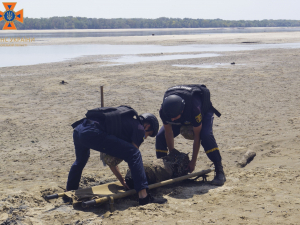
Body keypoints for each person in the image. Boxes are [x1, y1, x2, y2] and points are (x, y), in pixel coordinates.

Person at [66, 105, 167, 205]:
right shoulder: (140, 128)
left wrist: (122, 180)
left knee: (80, 161)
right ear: (147, 126)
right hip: (93, 132)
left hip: (79, 130)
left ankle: (69, 192)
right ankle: (143, 196)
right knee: (135, 154)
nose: (145, 137)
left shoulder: (124, 125)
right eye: (148, 134)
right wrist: (137, 181)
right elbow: (133, 158)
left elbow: (111, 162)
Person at [155, 85, 226, 186]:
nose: (173, 120)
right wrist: (172, 155)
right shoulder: (164, 111)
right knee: (160, 137)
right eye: (171, 118)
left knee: (205, 135)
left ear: (182, 111)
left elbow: (197, 137)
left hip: (204, 112)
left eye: (175, 118)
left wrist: (193, 161)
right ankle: (163, 169)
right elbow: (168, 132)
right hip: (181, 115)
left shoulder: (195, 109)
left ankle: (219, 171)